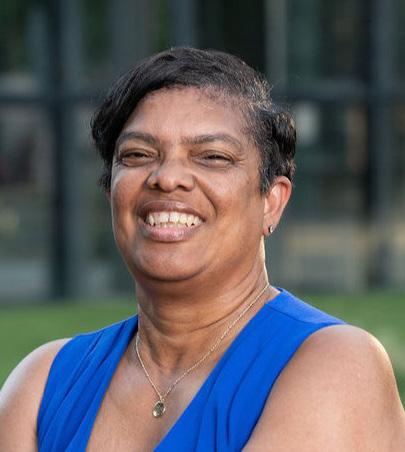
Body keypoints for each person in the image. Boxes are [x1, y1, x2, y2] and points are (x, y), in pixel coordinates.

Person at [1, 47, 404, 451]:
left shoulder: (338, 364)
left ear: (272, 201)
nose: (167, 177)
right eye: (138, 155)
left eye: (212, 157)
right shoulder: (43, 384)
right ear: (111, 191)